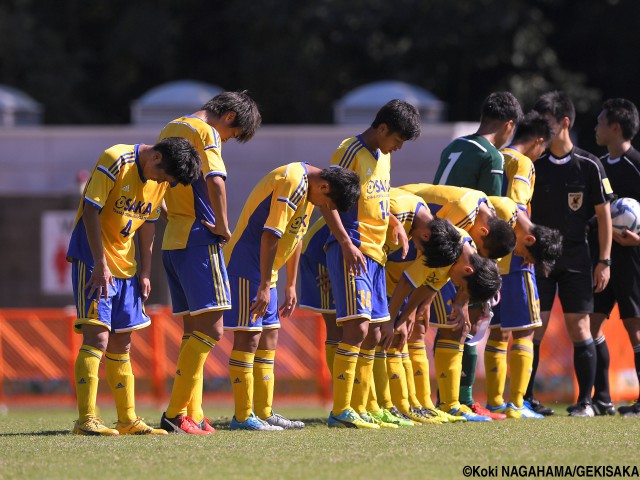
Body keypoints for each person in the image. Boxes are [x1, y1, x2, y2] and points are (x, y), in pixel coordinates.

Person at [67, 137, 201, 435]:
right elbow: (90, 211)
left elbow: (149, 222)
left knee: (122, 344)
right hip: (93, 261)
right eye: (163, 176)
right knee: (97, 339)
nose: (162, 182)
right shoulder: (115, 159)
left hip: (126, 267)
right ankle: (86, 420)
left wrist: (145, 271)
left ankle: (127, 420)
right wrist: (100, 264)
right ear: (155, 159)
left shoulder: (160, 179)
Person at [224, 162, 360, 430]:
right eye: (328, 202)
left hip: (267, 271)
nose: (325, 207)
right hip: (246, 266)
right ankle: (242, 416)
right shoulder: (292, 181)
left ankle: (263, 412)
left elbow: (295, 235)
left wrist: (290, 285)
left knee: (269, 336)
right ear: (324, 187)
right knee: (249, 337)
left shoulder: (311, 189)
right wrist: (264, 284)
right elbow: (269, 235)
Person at [158, 91, 261, 435]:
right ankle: (175, 414)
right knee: (212, 329)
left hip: (172, 239)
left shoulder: (171, 127)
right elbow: (216, 179)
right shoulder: (207, 132)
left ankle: (194, 413)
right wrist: (222, 224)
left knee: (193, 334)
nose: (227, 140)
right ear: (229, 117)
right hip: (199, 238)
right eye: (233, 135)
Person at [323, 99, 421, 429]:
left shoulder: (382, 156)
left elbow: (376, 197)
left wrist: (393, 221)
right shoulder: (350, 151)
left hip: (377, 254)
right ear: (382, 129)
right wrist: (346, 243)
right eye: (397, 141)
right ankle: (341, 410)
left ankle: (362, 407)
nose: (397, 148)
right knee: (357, 328)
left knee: (376, 333)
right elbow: (327, 200)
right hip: (355, 250)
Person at [432, 91, 523, 421]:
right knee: (469, 323)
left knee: (443, 324)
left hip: (435, 237)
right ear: (508, 125)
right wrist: (489, 271)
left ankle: (443, 399)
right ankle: (462, 400)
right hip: (464, 248)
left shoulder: (454, 146)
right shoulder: (493, 158)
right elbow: (492, 217)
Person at [526, 91, 614, 418]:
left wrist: (604, 261)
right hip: (540, 259)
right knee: (536, 328)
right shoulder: (533, 165)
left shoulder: (589, 165)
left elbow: (603, 216)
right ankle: (525, 399)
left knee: (581, 330)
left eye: (544, 122)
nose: (538, 128)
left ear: (563, 123)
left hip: (578, 259)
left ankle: (586, 402)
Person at [400, 183, 515, 421]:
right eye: (482, 250)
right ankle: (431, 403)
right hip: (407, 249)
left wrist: (456, 300)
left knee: (445, 326)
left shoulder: (484, 207)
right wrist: (431, 301)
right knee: (425, 327)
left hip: (427, 261)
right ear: (483, 232)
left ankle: (444, 402)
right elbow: (434, 251)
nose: (479, 254)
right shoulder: (463, 211)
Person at [482, 111, 563, 420]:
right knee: (526, 331)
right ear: (539, 142)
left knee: (498, 332)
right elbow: (514, 208)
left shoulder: (496, 155)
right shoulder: (523, 163)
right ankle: (517, 404)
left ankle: (494, 402)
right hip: (516, 257)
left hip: (490, 256)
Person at [589, 98, 640, 416]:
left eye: (600, 122)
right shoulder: (597, 166)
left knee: (635, 330)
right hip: (602, 260)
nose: (596, 127)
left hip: (633, 261)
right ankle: (603, 398)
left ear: (615, 127)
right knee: (590, 326)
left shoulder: (636, 164)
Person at [433, 91, 523, 196]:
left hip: (432, 211)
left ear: (481, 118)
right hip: (458, 213)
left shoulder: (454, 145)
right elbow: (491, 206)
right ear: (508, 125)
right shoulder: (492, 156)